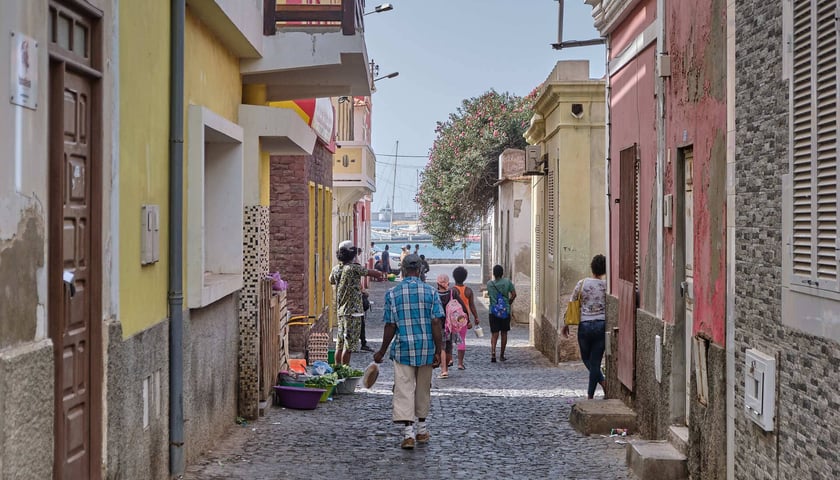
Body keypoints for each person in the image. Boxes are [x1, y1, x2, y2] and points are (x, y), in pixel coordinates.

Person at [374, 254, 443, 450]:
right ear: (420, 270)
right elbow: (436, 322)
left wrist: (381, 351)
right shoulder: (431, 293)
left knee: (403, 389)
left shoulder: (393, 294)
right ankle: (422, 430)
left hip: (403, 348)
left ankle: (408, 434)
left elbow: (390, 325)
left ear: (403, 270)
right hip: (426, 349)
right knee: (423, 388)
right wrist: (439, 351)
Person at [329, 241, 383, 365]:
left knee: (340, 344)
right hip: (353, 312)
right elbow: (375, 273)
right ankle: (345, 372)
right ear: (352, 254)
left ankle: (337, 370)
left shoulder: (336, 269)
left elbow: (331, 280)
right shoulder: (354, 268)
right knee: (349, 347)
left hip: (341, 311)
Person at [562, 254, 607, 399]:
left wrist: (566, 323)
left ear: (591, 267)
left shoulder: (582, 283)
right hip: (600, 324)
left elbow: (572, 302)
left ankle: (593, 393)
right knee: (595, 362)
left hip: (585, 325)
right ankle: (598, 387)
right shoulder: (606, 286)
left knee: (587, 359)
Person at [451, 266, 479, 370]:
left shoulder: (452, 290)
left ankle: (450, 359)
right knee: (461, 339)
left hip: (453, 318)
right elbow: (472, 305)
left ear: (454, 277)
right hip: (464, 318)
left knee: (451, 340)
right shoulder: (468, 291)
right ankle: (460, 363)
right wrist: (476, 317)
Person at [486, 264, 516, 363]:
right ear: (502, 273)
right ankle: (502, 355)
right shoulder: (507, 282)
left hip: (493, 311)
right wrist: (509, 302)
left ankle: (493, 352)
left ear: (494, 274)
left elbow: (490, 295)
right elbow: (514, 294)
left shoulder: (489, 284)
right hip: (505, 311)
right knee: (504, 333)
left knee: (494, 334)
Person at [434, 274, 461, 379]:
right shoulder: (452, 292)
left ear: (437, 283)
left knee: (442, 347)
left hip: (439, 324)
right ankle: (448, 362)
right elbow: (461, 305)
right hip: (451, 324)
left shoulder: (434, 294)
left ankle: (444, 370)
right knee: (449, 345)